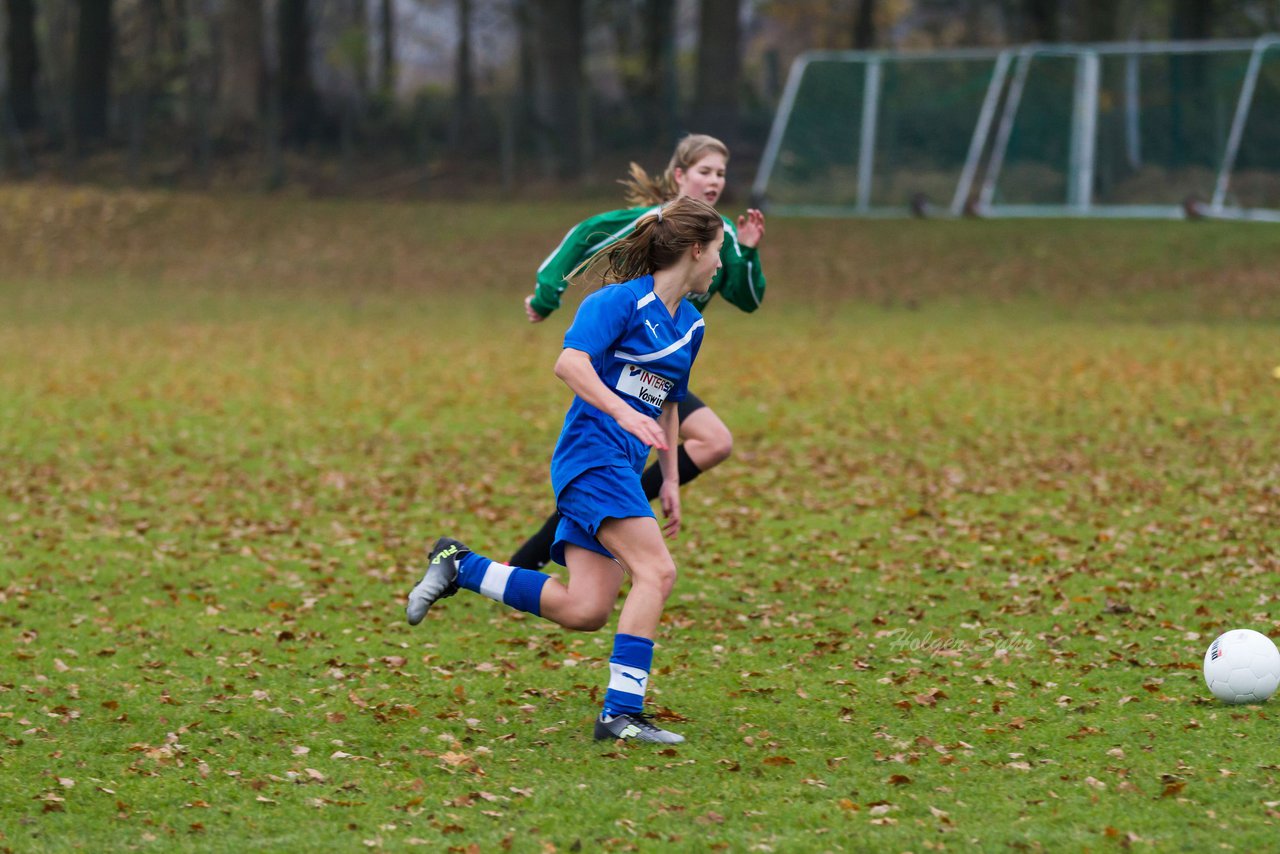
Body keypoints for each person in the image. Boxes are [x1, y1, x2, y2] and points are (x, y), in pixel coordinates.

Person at [405, 196, 725, 744]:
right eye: (719, 251)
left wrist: (670, 477)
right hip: (590, 455)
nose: (720, 264)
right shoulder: (618, 303)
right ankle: (621, 713)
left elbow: (670, 403)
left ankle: (462, 566)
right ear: (695, 250)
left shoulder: (691, 325)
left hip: (622, 464)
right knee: (658, 572)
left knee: (586, 609)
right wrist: (624, 412)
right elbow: (569, 363)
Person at [509, 133, 766, 570]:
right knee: (611, 476)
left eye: (721, 173)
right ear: (680, 175)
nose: (715, 181)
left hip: (662, 373)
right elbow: (585, 236)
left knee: (712, 441)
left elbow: (747, 297)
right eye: (705, 171)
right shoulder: (657, 225)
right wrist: (546, 295)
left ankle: (611, 511)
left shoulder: (718, 237)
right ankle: (535, 556)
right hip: (622, 374)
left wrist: (748, 251)